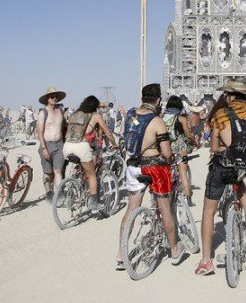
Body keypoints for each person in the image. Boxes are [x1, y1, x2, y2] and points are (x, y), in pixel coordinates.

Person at [194, 79, 246, 276]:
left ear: (231, 96)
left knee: (208, 212)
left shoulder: (221, 115)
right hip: (244, 167)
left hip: (221, 167)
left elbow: (214, 148)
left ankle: (206, 261)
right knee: (238, 178)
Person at [117, 83, 185, 270]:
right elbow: (166, 152)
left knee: (131, 208)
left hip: (133, 167)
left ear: (141, 99)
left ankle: (121, 254)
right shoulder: (157, 121)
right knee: (164, 209)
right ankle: (174, 249)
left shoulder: (130, 115)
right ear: (158, 100)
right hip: (153, 168)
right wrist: (171, 157)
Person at [63, 95, 118, 212]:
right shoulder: (96, 115)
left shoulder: (74, 114)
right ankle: (94, 204)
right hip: (81, 146)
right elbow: (107, 132)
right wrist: (114, 144)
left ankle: (74, 185)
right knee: (91, 175)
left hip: (67, 146)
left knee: (81, 168)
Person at [163, 96, 199, 205]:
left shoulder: (162, 116)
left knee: (168, 172)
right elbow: (188, 134)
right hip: (180, 147)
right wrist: (194, 140)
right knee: (183, 173)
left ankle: (166, 196)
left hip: (167, 146)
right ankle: (188, 199)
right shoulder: (181, 117)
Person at [37, 86, 67, 200]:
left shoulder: (60, 111)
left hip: (59, 145)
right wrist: (44, 148)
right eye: (52, 97)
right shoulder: (43, 112)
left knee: (58, 170)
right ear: (47, 99)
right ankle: (48, 192)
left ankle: (59, 195)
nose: (54, 99)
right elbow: (39, 132)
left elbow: (65, 126)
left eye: (56, 97)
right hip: (47, 145)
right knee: (48, 173)